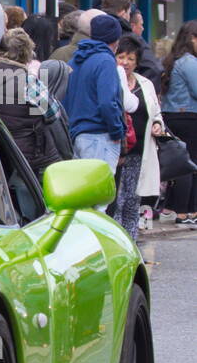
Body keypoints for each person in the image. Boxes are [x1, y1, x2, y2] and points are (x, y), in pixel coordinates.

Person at [0, 29, 63, 179]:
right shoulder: (27, 81)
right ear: (26, 53)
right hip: (26, 152)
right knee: (27, 197)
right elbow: (53, 113)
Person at [64, 15, 132, 168]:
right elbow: (107, 102)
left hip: (76, 135)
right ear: (116, 39)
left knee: (82, 189)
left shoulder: (75, 60)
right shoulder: (106, 61)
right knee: (100, 190)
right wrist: (117, 131)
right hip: (99, 136)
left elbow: (65, 97)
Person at [115, 33, 164, 240]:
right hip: (117, 151)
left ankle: (131, 246)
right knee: (115, 201)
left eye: (130, 59)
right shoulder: (112, 81)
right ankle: (116, 247)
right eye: (121, 57)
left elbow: (156, 112)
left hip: (139, 152)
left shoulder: (145, 84)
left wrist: (157, 124)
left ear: (137, 62)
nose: (125, 62)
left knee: (132, 202)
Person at [160, 20, 197, 227]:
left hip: (173, 115)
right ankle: (186, 212)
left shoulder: (174, 60)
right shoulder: (190, 62)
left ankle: (174, 208)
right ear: (192, 38)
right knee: (189, 165)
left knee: (180, 163)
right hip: (189, 116)